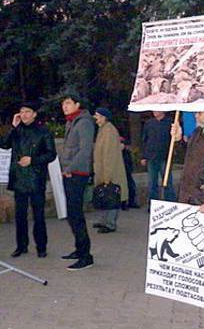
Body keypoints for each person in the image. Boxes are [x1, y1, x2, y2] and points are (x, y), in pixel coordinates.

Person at [0, 101, 56, 258]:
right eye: (21, 112)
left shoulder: (43, 131)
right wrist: (13, 127)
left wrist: (32, 160)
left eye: (27, 112)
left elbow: (51, 154)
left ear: (34, 114)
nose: (24, 115)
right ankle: (21, 245)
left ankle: (41, 246)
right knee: (20, 215)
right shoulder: (16, 131)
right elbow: (4, 144)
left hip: (36, 178)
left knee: (38, 215)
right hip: (19, 179)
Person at [59, 94, 95, 271]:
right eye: (63, 104)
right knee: (72, 214)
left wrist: (69, 168)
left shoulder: (84, 123)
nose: (64, 106)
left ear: (77, 104)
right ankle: (79, 249)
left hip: (77, 174)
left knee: (76, 214)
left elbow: (85, 150)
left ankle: (86, 256)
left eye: (68, 103)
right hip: (69, 173)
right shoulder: (71, 122)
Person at [92, 107, 129, 233]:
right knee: (105, 195)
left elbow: (108, 154)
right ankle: (104, 220)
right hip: (105, 169)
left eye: (97, 115)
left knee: (112, 195)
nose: (95, 118)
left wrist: (107, 175)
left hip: (110, 170)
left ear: (103, 117)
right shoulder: (104, 129)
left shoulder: (108, 131)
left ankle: (110, 223)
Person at [141, 111, 176, 204]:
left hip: (165, 157)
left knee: (167, 182)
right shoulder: (149, 123)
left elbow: (174, 140)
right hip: (151, 157)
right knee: (152, 182)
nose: (154, 112)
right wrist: (144, 156)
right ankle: (153, 204)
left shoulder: (170, 122)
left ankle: (170, 203)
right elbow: (145, 140)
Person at [119, 136, 140, 210]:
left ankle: (131, 201)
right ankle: (123, 203)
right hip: (120, 173)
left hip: (127, 172)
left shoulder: (126, 153)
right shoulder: (116, 154)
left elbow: (130, 162)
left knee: (131, 186)